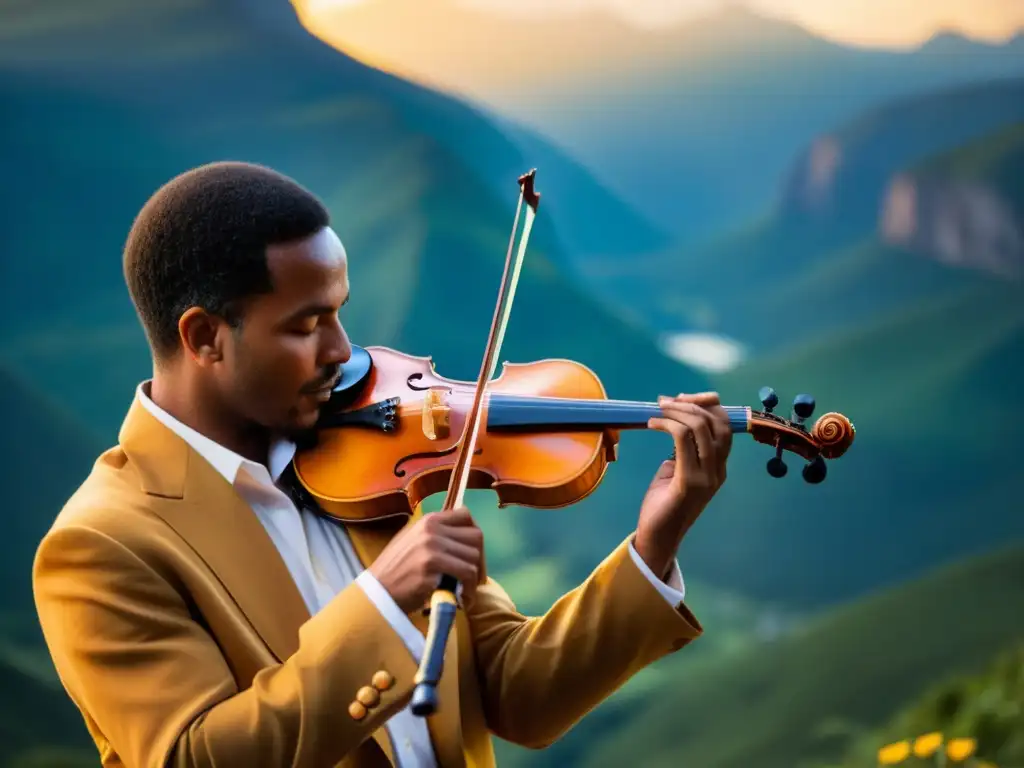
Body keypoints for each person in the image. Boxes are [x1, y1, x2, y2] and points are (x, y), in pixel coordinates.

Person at [32, 161, 734, 768]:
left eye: (339, 313)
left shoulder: (359, 468)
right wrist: (379, 600)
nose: (343, 350)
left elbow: (517, 695)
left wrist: (655, 543)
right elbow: (196, 756)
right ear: (206, 337)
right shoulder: (101, 547)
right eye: (307, 324)